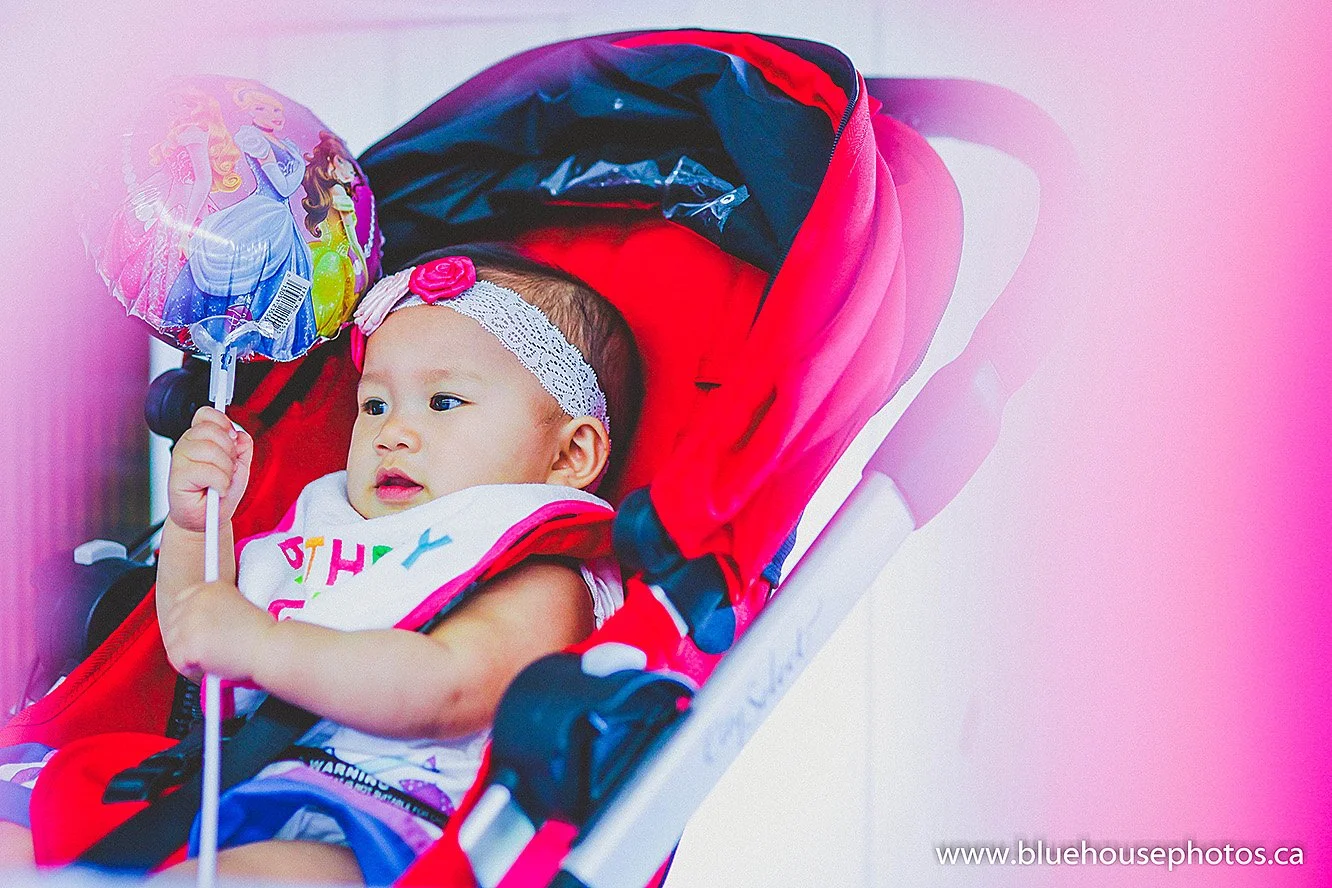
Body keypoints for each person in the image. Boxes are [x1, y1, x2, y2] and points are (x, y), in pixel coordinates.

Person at [0, 244, 643, 885]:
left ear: (570, 456)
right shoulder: (336, 528)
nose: (392, 433)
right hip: (226, 783)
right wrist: (199, 527)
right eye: (375, 405)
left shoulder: (541, 569)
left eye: (444, 402)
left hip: (377, 820)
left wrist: (262, 645)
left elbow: (450, 687)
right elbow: (197, 633)